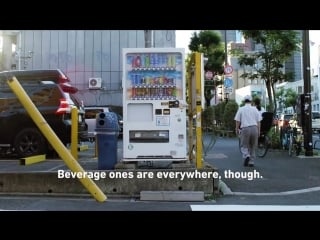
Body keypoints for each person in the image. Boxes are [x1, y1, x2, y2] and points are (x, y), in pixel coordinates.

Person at [234, 95, 262, 167]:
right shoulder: (255, 109)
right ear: (251, 101)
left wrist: (236, 128)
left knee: (244, 145)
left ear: (244, 101)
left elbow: (238, 120)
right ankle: (251, 162)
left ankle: (246, 155)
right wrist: (258, 131)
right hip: (254, 128)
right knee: (253, 145)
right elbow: (258, 121)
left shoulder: (241, 109)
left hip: (245, 128)